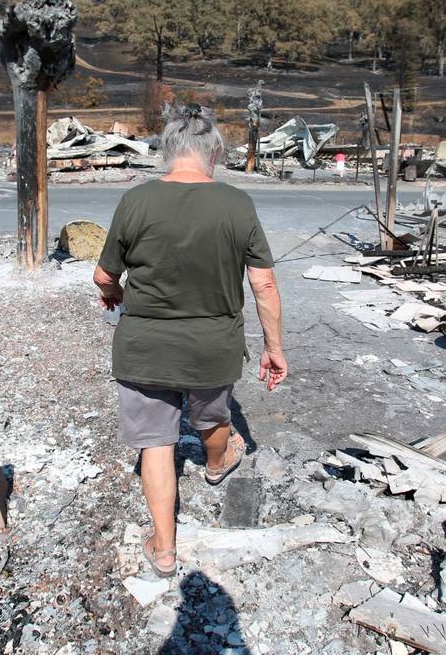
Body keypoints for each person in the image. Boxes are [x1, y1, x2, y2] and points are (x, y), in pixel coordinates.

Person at [93, 103, 288, 578]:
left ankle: (163, 548)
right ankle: (218, 464)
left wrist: (114, 292)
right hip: (212, 345)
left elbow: (103, 275)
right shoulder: (237, 203)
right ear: (214, 153)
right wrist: (274, 347)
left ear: (166, 151)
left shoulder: (136, 200)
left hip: (145, 345)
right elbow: (263, 285)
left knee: (156, 442)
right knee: (213, 414)